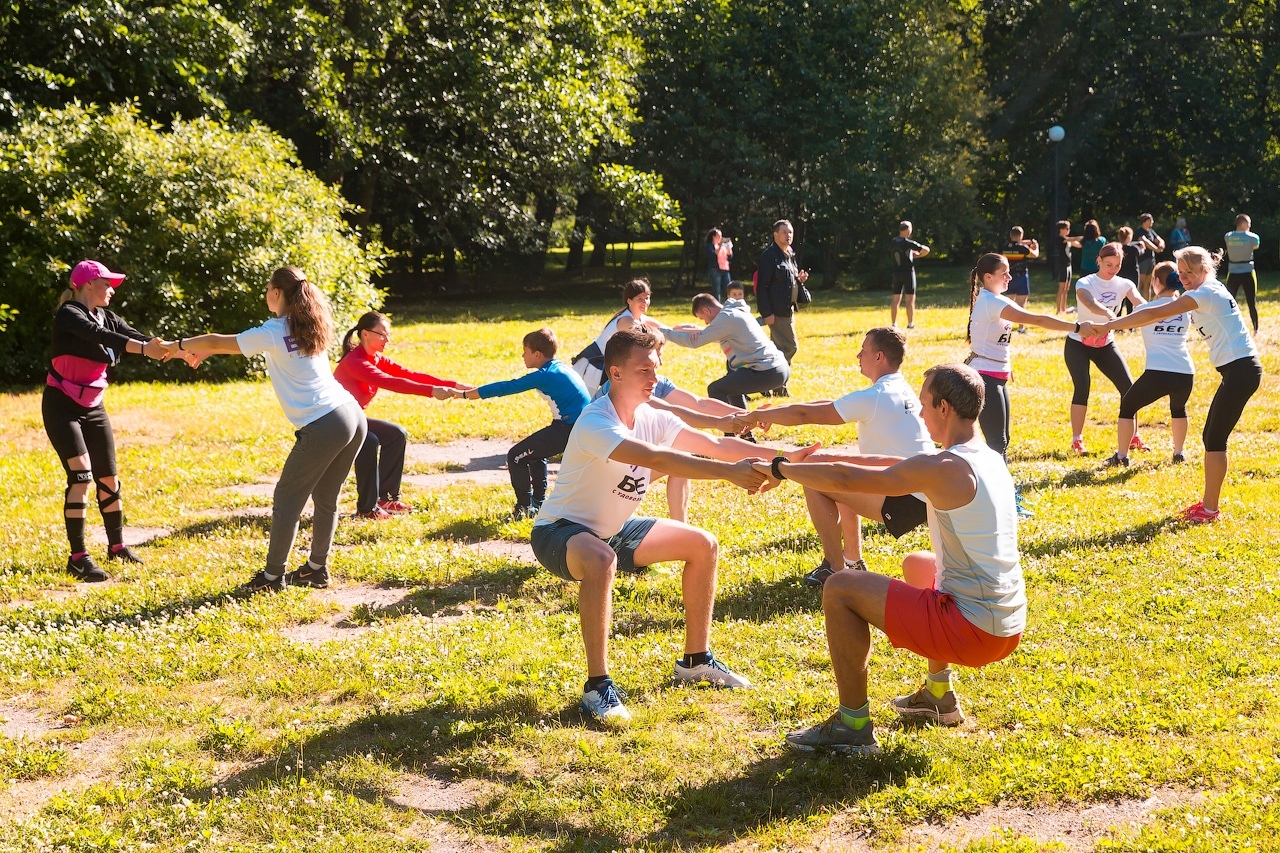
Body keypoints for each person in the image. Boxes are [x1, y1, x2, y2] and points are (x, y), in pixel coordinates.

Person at [530, 326, 810, 724]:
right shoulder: (596, 422)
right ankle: (597, 686)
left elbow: (715, 446)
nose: (654, 378)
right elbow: (660, 460)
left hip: (614, 528)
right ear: (616, 373)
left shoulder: (652, 416)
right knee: (600, 558)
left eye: (656, 368)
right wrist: (731, 474)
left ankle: (696, 660)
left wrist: (784, 457)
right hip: (560, 531)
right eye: (644, 370)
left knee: (703, 544)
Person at [754, 365, 1024, 754]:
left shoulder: (944, 468)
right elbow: (886, 465)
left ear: (944, 408)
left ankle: (853, 727)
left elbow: (847, 480)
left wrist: (781, 469)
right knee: (919, 563)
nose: (920, 413)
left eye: (925, 404)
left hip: (975, 633)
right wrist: (815, 460)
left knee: (841, 586)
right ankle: (937, 695)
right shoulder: (984, 456)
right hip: (1006, 625)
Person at [174, 266, 367, 592]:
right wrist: (208, 349)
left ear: (277, 293)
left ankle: (272, 577)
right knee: (326, 498)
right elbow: (223, 345)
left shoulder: (275, 329)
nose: (265, 294)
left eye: (267, 288)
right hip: (351, 414)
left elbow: (219, 341)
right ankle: (315, 570)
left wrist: (175, 345)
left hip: (326, 422)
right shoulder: (307, 324)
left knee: (287, 499)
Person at [730, 327, 935, 587]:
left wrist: (759, 416)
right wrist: (770, 413)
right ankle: (853, 560)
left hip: (905, 499)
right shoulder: (897, 387)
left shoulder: (876, 396)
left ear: (879, 357)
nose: (858, 355)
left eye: (864, 350)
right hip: (918, 490)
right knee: (838, 470)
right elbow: (829, 404)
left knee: (814, 474)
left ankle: (835, 569)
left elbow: (806, 415)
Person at [1097, 247, 1262, 522]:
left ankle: (1210, 510)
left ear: (1205, 270)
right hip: (1238, 371)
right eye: (1180, 272)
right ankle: (1209, 505)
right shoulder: (1208, 289)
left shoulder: (1205, 293)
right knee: (1211, 436)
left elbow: (1154, 313)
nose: (1184, 278)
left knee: (1214, 438)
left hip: (1242, 370)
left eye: (1190, 272)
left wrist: (1109, 325)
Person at [43, 260, 178, 581]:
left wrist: (177, 350)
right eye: (107, 283)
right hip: (61, 405)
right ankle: (78, 558)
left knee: (109, 479)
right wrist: (144, 349)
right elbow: (98, 334)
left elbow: (133, 334)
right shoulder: (69, 314)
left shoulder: (107, 315)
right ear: (88, 284)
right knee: (81, 477)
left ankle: (116, 547)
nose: (112, 289)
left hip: (93, 406)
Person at [333, 311, 475, 519]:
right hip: (336, 420)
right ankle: (367, 509)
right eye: (382, 334)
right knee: (369, 440)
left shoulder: (377, 358)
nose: (387, 340)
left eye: (388, 335)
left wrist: (452, 385)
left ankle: (387, 499)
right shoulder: (356, 362)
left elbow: (409, 375)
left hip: (354, 418)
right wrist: (431, 391)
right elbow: (392, 382)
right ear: (365, 334)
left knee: (396, 434)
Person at [965, 253, 1096, 476]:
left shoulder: (996, 299)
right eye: (1003, 273)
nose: (1009, 277)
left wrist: (1006, 364)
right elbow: (1037, 320)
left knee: (1002, 441)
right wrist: (1076, 328)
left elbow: (992, 340)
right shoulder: (992, 302)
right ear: (988, 277)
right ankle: (1000, 493)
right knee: (997, 442)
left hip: (995, 375)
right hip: (986, 377)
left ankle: (1003, 491)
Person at [458, 328, 590, 519]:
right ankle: (537, 503)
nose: (522, 355)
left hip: (569, 429)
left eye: (525, 351)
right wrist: (477, 390)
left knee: (516, 457)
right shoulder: (557, 367)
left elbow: (508, 387)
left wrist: (467, 394)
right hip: (575, 426)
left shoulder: (545, 374)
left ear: (537, 354)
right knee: (535, 454)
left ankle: (524, 508)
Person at [1104, 265, 1193, 467]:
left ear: (1157, 283)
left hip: (1158, 372)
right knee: (1179, 409)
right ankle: (1179, 454)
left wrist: (1105, 325)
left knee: (1127, 407)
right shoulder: (1185, 308)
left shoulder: (1145, 309)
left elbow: (1122, 323)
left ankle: (1121, 457)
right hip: (1185, 372)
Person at [1065, 242, 1147, 455]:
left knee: (1129, 388)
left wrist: (1160, 310)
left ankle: (1134, 436)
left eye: (1117, 265)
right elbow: (1090, 303)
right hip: (1078, 343)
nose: (1112, 269)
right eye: (1108, 264)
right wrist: (1111, 316)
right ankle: (1077, 439)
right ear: (1099, 261)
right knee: (1082, 387)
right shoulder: (1085, 282)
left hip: (1105, 343)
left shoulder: (1124, 283)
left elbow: (1139, 302)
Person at [656, 293, 790, 410]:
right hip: (778, 367)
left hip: (768, 372)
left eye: (703, 319)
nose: (706, 323)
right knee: (731, 384)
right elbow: (711, 334)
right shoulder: (734, 312)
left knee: (716, 389)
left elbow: (694, 342)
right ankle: (744, 432)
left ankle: (730, 432)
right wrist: (690, 329)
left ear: (706, 310)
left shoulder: (726, 318)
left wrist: (661, 332)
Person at [571, 279, 662, 396]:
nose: (645, 302)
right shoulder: (626, 320)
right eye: (640, 298)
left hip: (607, 367)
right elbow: (649, 337)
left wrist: (690, 329)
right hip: (594, 367)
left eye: (647, 298)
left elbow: (667, 330)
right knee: (590, 406)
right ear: (629, 300)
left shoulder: (640, 318)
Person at [756, 219, 809, 394]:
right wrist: (767, 312)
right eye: (785, 232)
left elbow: (787, 281)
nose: (788, 236)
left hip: (787, 310)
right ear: (775, 234)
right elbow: (762, 286)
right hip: (776, 312)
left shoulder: (790, 255)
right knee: (789, 348)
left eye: (791, 232)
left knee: (779, 349)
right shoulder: (769, 255)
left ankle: (772, 385)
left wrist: (799, 280)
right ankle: (775, 384)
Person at [1223, 214, 1261, 332]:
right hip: (1248, 272)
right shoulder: (1253, 237)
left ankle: (1227, 327)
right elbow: (1256, 247)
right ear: (1244, 224)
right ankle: (1255, 329)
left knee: (1229, 301)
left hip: (1233, 272)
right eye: (1249, 223)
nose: (1250, 226)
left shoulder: (1228, 236)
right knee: (1251, 301)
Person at [890, 220, 929, 328]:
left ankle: (893, 323)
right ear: (908, 230)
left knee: (895, 298)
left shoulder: (893, 241)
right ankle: (910, 323)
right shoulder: (908, 243)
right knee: (910, 299)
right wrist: (918, 255)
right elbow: (926, 250)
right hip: (908, 273)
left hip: (896, 273)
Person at [1000, 226, 1039, 331]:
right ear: (1021, 236)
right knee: (1021, 304)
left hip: (1008, 278)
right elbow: (1035, 255)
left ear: (1010, 235)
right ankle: (1021, 328)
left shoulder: (1005, 247)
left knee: (1008, 304)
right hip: (1021, 277)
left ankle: (1006, 327)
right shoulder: (1023, 248)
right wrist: (1036, 247)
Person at [1055, 220, 1083, 315]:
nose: (1068, 230)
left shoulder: (1067, 240)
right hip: (1063, 265)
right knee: (1061, 288)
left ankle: (1064, 309)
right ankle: (1058, 310)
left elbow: (1078, 245)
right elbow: (1074, 239)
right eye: (1067, 228)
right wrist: (1084, 237)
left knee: (1066, 288)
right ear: (1061, 229)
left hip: (1068, 265)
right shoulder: (1060, 239)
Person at [1136, 214, 1166, 298]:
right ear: (1145, 221)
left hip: (1151, 259)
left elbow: (1159, 239)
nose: (1152, 222)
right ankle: (1135, 305)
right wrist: (1156, 249)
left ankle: (1146, 305)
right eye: (1150, 220)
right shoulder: (1139, 231)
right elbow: (1145, 241)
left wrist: (1161, 244)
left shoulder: (1151, 231)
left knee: (1148, 284)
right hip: (1142, 260)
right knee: (1140, 283)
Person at [705, 229, 731, 301]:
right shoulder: (710, 246)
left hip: (725, 269)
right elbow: (712, 255)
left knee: (729, 289)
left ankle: (729, 305)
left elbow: (729, 256)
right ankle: (717, 307)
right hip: (715, 270)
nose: (720, 238)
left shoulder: (724, 246)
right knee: (716, 291)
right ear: (713, 236)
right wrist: (720, 246)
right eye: (719, 236)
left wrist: (729, 247)